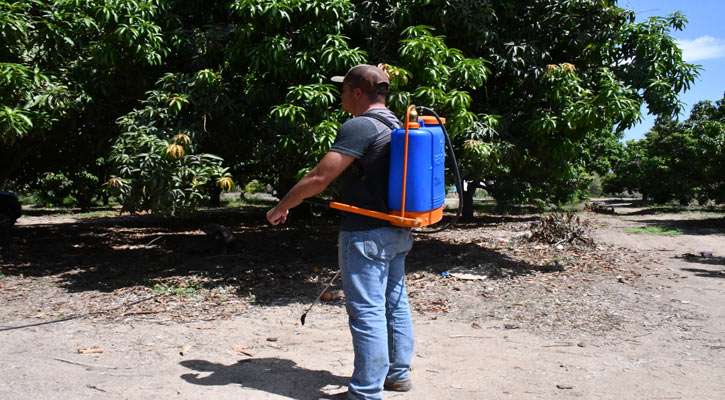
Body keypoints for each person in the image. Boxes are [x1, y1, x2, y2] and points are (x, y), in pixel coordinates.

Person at [266, 64, 414, 399]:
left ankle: (365, 392)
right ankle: (398, 374)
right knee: (394, 303)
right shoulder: (394, 122)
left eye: (344, 89)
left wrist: (282, 205)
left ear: (357, 92)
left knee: (367, 313)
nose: (341, 95)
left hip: (365, 233)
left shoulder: (360, 125)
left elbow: (319, 178)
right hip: (396, 230)